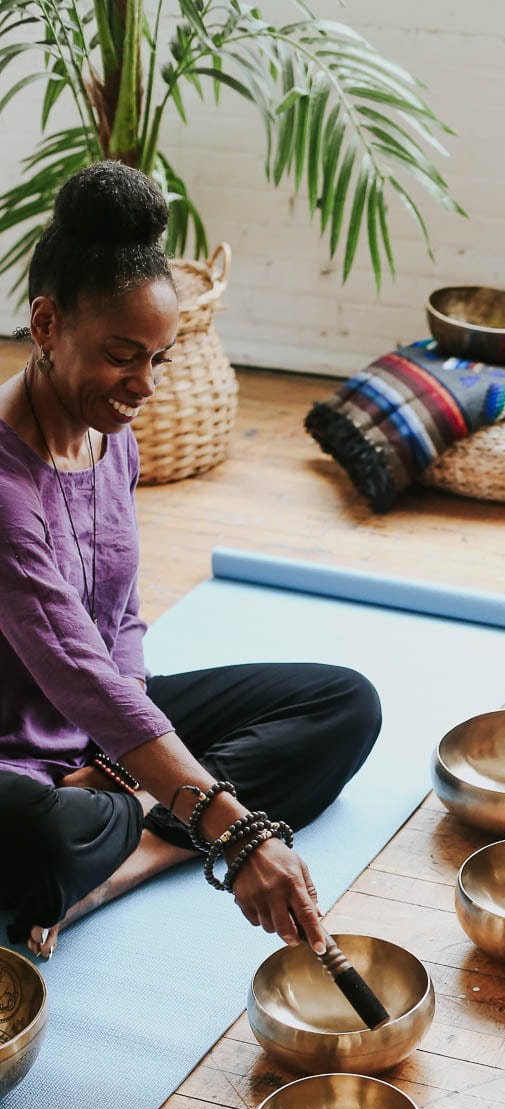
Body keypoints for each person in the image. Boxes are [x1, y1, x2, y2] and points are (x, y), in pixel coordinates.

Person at [0, 161, 381, 961]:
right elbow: (77, 669)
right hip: (18, 761)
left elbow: (120, 619)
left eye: (157, 359)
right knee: (42, 839)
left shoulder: (110, 433)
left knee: (344, 704)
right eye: (120, 355)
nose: (142, 386)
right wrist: (237, 832)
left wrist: (119, 764)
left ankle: (135, 853)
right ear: (45, 325)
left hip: (99, 736)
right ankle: (141, 820)